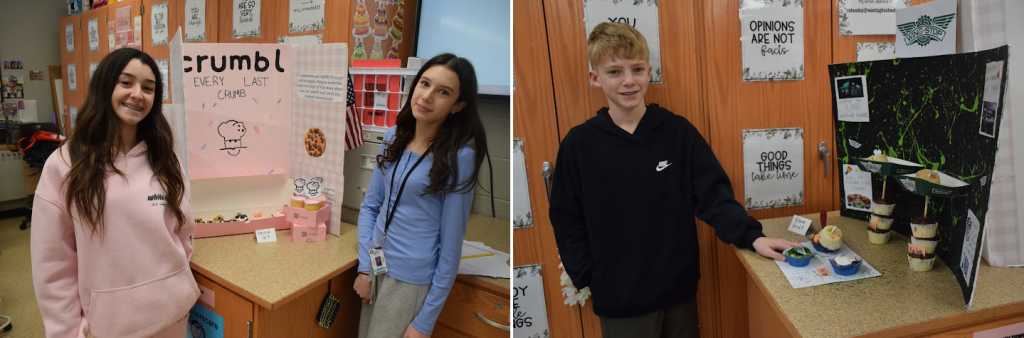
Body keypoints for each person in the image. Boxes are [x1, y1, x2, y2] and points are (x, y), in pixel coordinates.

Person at [548, 22, 801, 338]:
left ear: (649, 71)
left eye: (637, 69)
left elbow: (714, 196)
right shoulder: (579, 145)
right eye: (615, 72)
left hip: (678, 291)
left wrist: (752, 237)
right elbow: (565, 217)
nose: (629, 81)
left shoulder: (677, 132)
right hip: (619, 299)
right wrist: (591, 276)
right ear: (595, 78)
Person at [31, 48, 198, 338]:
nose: (138, 94)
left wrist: (173, 282)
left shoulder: (166, 158)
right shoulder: (66, 164)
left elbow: (183, 231)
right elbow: (53, 263)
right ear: (106, 85)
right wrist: (67, 331)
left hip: (171, 314)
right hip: (109, 326)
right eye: (126, 82)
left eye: (148, 88)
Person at [353, 53, 487, 338]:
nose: (427, 96)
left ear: (458, 106)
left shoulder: (458, 158)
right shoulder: (393, 137)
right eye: (424, 84)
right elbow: (370, 207)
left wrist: (425, 322)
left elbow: (450, 250)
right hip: (376, 268)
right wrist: (365, 268)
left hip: (409, 282)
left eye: (443, 92)